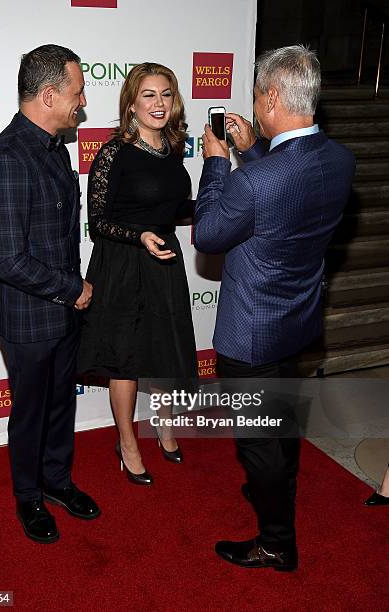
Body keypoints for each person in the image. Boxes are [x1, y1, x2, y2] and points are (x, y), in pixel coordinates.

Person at [194, 45, 355, 571]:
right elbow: (288, 198)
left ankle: (276, 542)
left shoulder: (251, 180)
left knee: (258, 444)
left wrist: (219, 164)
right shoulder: (338, 159)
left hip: (250, 336)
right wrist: (256, 151)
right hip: (298, 321)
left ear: (269, 99)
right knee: (283, 423)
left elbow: (210, 232)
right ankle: (277, 497)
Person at [0, 44, 100, 544]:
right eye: (76, 92)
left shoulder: (54, 148)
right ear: (48, 95)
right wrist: (74, 289)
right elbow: (7, 261)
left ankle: (56, 480)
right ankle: (28, 496)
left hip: (65, 313)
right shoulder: (8, 158)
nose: (83, 101)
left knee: (59, 406)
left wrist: (72, 297)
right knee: (30, 412)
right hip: (30, 319)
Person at [77, 62, 197, 485]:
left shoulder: (172, 147)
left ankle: (163, 428)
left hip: (163, 259)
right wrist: (140, 233)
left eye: (166, 93)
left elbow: (177, 208)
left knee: (164, 350)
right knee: (125, 358)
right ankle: (127, 442)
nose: (159, 103)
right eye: (148, 94)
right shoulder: (113, 152)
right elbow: (99, 221)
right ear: (131, 103)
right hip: (124, 261)